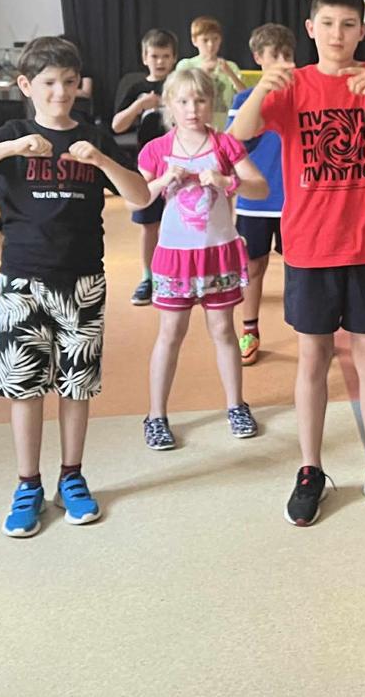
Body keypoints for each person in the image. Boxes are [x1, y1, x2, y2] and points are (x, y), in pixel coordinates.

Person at [0, 37, 150, 538]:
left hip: (83, 280)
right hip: (22, 281)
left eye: (69, 82)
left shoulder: (92, 137)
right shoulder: (14, 133)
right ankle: (27, 484)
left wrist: (102, 162)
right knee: (25, 388)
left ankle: (71, 477)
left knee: (76, 386)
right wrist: (11, 148)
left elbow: (141, 196)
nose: (60, 92)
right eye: (49, 83)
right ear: (26, 85)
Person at [230, 0, 365, 526]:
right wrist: (262, 90)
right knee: (313, 358)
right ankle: (310, 469)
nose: (338, 34)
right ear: (311, 29)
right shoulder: (293, 85)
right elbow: (239, 136)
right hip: (310, 245)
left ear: (362, 31)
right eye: (328, 24)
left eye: (349, 24)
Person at [134, 67, 269, 450]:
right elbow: (135, 199)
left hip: (218, 254)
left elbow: (261, 188)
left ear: (212, 103)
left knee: (224, 330)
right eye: (183, 101)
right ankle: (156, 415)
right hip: (175, 257)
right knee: (170, 333)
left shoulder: (225, 144)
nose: (192, 109)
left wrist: (228, 182)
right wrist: (163, 181)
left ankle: (236, 406)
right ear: (169, 105)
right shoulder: (157, 149)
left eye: (200, 100)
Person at [228, 23, 295, 365]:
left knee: (299, 269)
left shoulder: (300, 95)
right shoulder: (245, 100)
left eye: (288, 55)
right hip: (255, 202)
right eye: (275, 55)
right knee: (254, 267)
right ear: (258, 58)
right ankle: (250, 329)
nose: (283, 62)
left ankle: (310, 332)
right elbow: (231, 143)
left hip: (295, 200)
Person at [111, 28, 178, 307]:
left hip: (180, 164)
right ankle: (148, 277)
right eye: (154, 56)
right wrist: (139, 105)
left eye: (165, 56)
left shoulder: (179, 84)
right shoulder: (136, 88)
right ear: (144, 57)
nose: (160, 61)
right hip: (149, 168)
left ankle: (176, 275)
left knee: (179, 222)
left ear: (174, 58)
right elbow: (117, 126)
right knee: (149, 225)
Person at [177, 16, 246, 130]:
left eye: (215, 39)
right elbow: (179, 95)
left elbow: (244, 95)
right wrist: (201, 74)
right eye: (205, 40)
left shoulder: (230, 66)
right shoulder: (186, 65)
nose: (211, 44)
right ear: (194, 41)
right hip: (194, 124)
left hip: (224, 125)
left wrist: (230, 74)